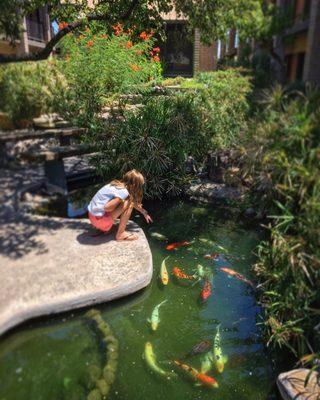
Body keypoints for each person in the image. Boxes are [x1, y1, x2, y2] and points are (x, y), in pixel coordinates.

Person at [88, 169, 152, 241]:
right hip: (99, 221)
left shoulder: (114, 185)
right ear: (134, 185)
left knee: (128, 201)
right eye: (140, 186)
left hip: (92, 217)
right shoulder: (123, 192)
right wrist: (121, 200)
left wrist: (143, 212)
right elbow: (107, 208)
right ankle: (120, 234)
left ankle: (103, 229)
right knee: (129, 203)